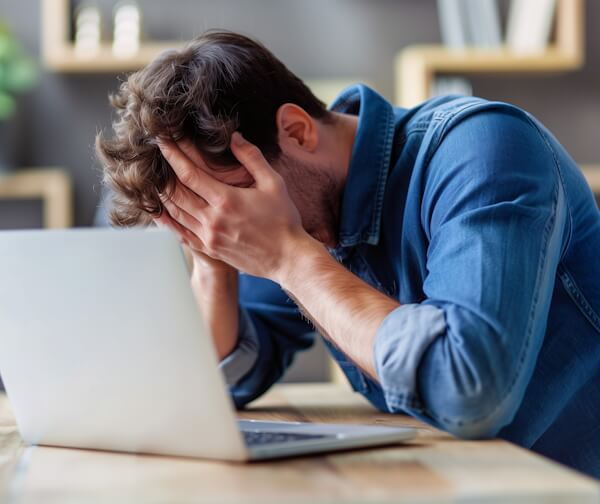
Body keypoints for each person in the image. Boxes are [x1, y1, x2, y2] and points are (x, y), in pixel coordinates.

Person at [96, 31, 600, 477]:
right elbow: (232, 377)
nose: (230, 222)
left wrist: (289, 258)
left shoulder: (482, 146)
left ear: (296, 131)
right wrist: (211, 262)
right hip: (450, 480)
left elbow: (467, 388)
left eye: (227, 198)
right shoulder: (286, 209)